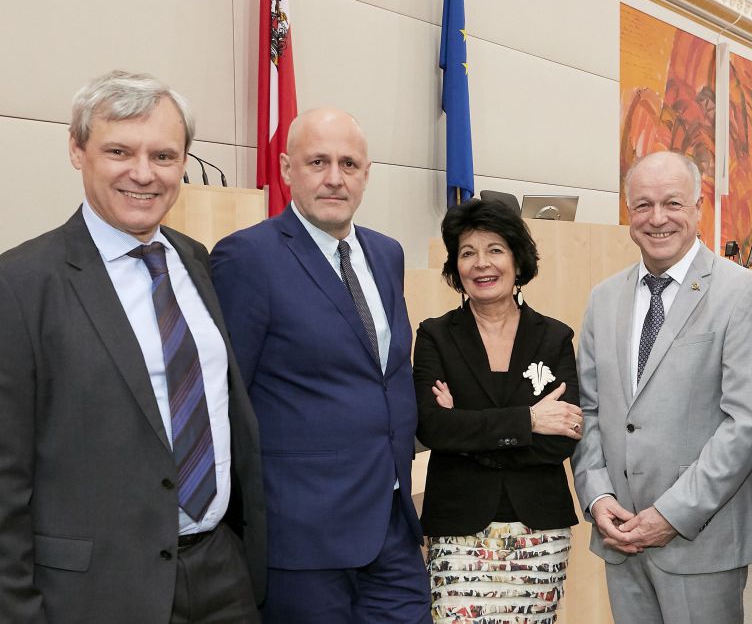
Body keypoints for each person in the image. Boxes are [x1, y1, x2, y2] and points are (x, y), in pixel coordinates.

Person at [0, 70, 266, 622]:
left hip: (223, 575)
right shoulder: (21, 285)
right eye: (119, 150)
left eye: (164, 156)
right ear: (77, 151)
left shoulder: (196, 261)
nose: (143, 174)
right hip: (98, 594)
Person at [211, 108, 431, 623]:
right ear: (286, 168)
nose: (335, 178)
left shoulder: (386, 253)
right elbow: (227, 400)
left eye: (349, 164)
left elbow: (383, 372)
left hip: (391, 522)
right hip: (302, 540)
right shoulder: (248, 258)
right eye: (318, 162)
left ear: (367, 174)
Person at [572, 150, 752, 623]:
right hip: (619, 535)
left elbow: (747, 424)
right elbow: (588, 410)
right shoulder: (603, 299)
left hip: (699, 538)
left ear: (698, 207)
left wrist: (670, 515)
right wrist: (598, 495)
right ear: (628, 213)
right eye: (643, 205)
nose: (657, 218)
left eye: (672, 203)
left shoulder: (744, 293)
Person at [413, 198, 582, 622]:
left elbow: (562, 438)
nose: (481, 263)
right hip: (458, 527)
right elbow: (433, 429)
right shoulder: (435, 336)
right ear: (455, 267)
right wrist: (528, 420)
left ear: (516, 260)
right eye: (467, 252)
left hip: (539, 529)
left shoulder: (554, 337)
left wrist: (469, 430)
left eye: (494, 250)